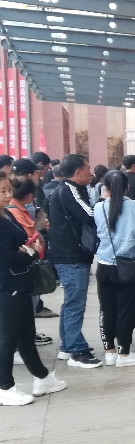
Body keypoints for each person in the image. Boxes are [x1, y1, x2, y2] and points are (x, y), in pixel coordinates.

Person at [0, 172, 67, 405]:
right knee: (8, 338)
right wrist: (31, 253)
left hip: (21, 282)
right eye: (2, 191)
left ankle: (43, 377)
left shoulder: (7, 213)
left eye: (8, 189)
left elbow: (15, 244)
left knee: (26, 335)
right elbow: (5, 257)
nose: (7, 195)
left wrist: (28, 247)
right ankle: (4, 386)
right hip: (7, 285)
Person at [47, 154, 102, 368]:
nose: (90, 172)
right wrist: (106, 201)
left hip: (68, 254)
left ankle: (67, 345)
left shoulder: (67, 190)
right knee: (75, 303)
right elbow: (90, 214)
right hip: (71, 256)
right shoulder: (69, 190)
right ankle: (76, 351)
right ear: (78, 172)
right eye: (88, 168)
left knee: (71, 301)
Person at [94, 171, 135, 367]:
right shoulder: (134, 206)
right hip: (128, 266)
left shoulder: (99, 207)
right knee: (126, 310)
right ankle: (124, 353)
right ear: (127, 187)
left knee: (107, 309)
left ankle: (109, 351)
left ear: (105, 187)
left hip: (104, 265)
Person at [7, 177, 58, 328]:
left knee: (31, 302)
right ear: (30, 195)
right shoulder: (12, 211)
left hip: (28, 260)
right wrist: (39, 229)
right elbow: (26, 237)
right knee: (27, 303)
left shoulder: (16, 210)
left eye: (8, 190)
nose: (7, 195)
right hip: (23, 263)